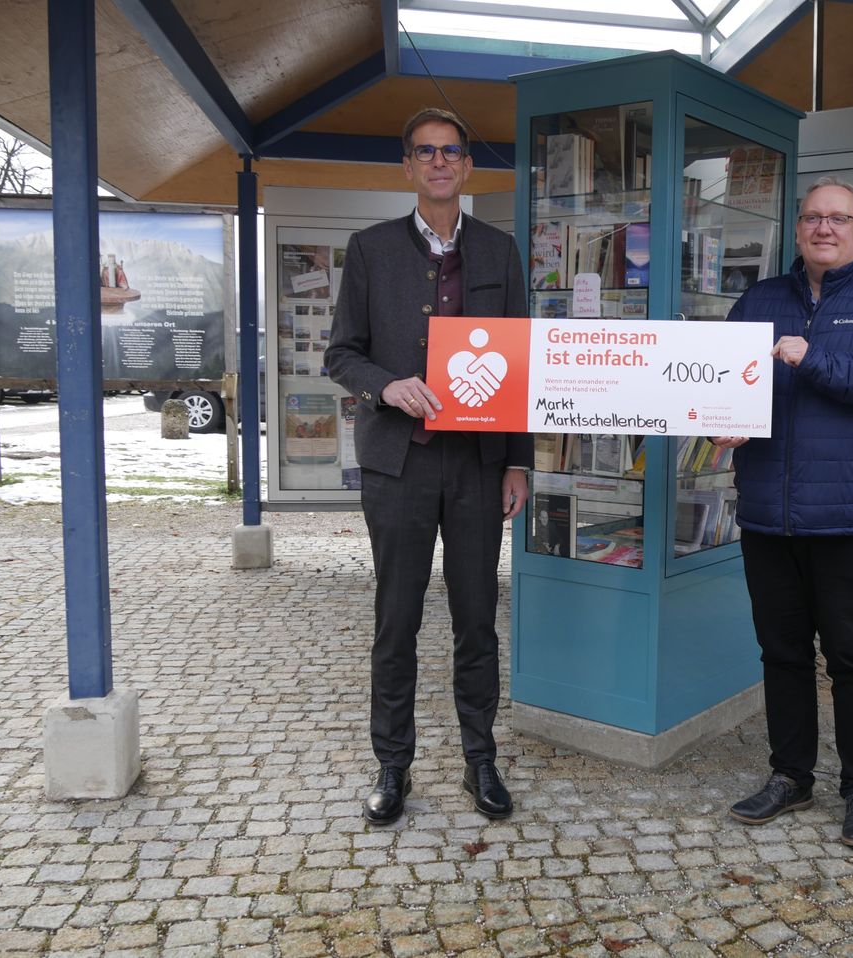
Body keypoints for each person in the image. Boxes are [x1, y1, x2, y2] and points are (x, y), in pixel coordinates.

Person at [713, 176, 853, 848]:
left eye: (839, 219)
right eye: (813, 218)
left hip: (848, 517)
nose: (825, 229)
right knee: (781, 653)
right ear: (800, 228)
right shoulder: (760, 299)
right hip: (768, 515)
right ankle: (790, 775)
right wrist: (724, 421)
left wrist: (814, 359)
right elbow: (725, 377)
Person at [326, 107, 530, 826]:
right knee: (397, 621)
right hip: (399, 467)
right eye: (425, 151)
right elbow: (340, 352)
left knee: (477, 620)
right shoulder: (370, 248)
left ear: (467, 166)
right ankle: (393, 766)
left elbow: (522, 363)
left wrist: (518, 464)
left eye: (451, 151)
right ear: (408, 167)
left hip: (478, 466)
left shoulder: (501, 253)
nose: (439, 162)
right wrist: (385, 384)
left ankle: (481, 760)